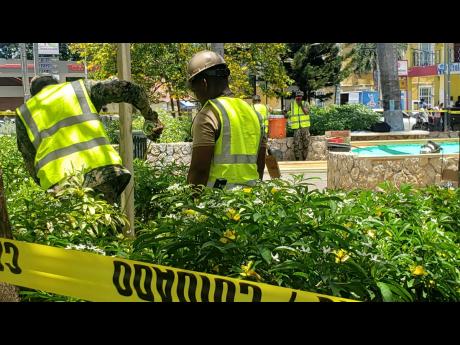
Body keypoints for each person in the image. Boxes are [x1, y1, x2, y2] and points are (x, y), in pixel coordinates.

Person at [15, 75, 164, 204]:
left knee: (76, 235)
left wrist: (48, 187)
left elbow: (29, 160)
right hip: (102, 173)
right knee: (106, 226)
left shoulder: (25, 112)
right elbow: (130, 89)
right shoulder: (79, 89)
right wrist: (150, 117)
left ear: (33, 95)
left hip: (61, 185)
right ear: (58, 84)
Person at [186, 50, 266, 189]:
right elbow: (260, 165)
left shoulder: (209, 114)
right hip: (250, 202)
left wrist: (190, 206)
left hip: (218, 204)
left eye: (195, 91)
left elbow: (200, 171)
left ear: (204, 83)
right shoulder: (253, 113)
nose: (196, 96)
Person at [283, 90, 311, 161]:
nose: (298, 98)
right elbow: (284, 111)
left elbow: (306, 113)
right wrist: (285, 115)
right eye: (297, 96)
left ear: (302, 97)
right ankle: (297, 160)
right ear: (295, 97)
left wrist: (301, 105)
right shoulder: (291, 104)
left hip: (305, 127)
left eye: (300, 96)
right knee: (296, 144)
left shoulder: (305, 103)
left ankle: (304, 159)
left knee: (306, 144)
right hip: (296, 128)